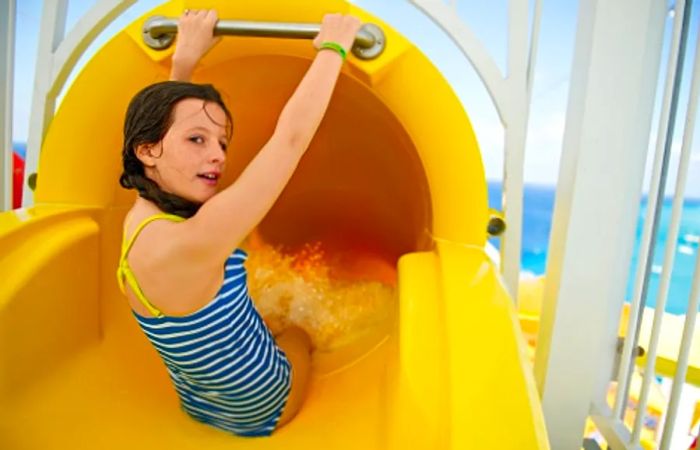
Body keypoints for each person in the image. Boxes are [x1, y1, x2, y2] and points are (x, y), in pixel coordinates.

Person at [116, 9, 362, 437]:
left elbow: (163, 133)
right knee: (297, 332)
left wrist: (184, 61)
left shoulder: (141, 218)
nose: (218, 155)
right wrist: (333, 47)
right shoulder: (198, 239)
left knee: (252, 320)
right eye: (198, 140)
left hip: (197, 401)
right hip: (264, 405)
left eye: (221, 143)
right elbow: (290, 139)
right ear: (148, 149)